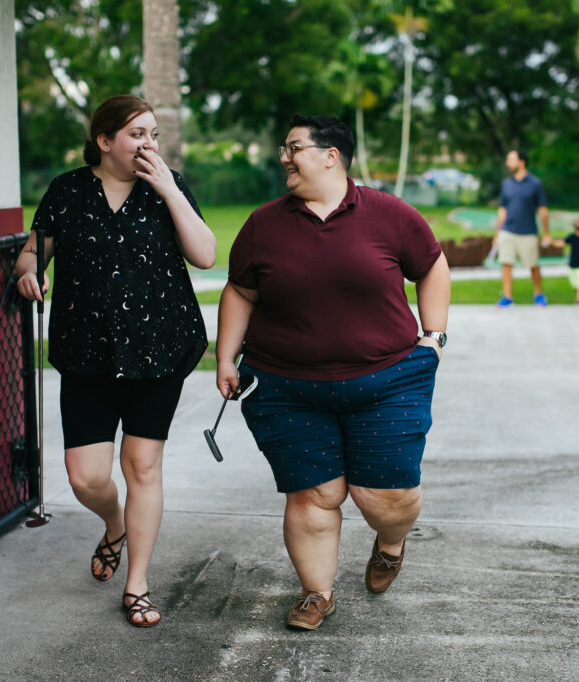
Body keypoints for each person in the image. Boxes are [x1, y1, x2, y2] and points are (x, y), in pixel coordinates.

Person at [215, 115, 451, 631]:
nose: (284, 157)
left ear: (331, 155)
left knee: (384, 498)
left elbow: (432, 266)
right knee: (313, 493)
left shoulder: (390, 214)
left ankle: (391, 542)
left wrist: (433, 339)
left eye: (294, 147)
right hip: (284, 386)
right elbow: (240, 290)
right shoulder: (264, 224)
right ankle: (316, 593)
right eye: (284, 147)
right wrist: (225, 357)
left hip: (387, 379)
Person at [14, 94, 215, 627]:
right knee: (85, 476)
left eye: (153, 133)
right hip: (86, 352)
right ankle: (115, 524)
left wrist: (169, 188)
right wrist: (30, 272)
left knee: (142, 465)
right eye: (137, 134)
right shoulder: (66, 191)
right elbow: (35, 249)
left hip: (160, 348)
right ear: (105, 141)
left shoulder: (168, 186)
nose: (149, 143)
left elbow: (205, 254)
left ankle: (138, 585)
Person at [493, 149, 551, 307]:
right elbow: (502, 210)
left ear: (522, 162)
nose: (507, 163)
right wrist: (497, 234)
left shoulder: (535, 184)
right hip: (507, 231)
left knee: (533, 265)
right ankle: (507, 297)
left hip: (528, 232)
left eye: (511, 159)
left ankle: (538, 294)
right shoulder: (506, 184)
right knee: (506, 263)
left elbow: (543, 211)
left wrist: (546, 234)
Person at [550, 217, 579, 304]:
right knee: (574, 284)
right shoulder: (572, 237)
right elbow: (562, 243)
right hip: (572, 265)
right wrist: (552, 242)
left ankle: (578, 301)